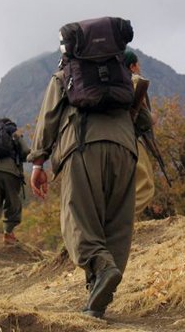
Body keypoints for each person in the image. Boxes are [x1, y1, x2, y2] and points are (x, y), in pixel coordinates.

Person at [28, 55, 138, 319]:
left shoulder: (65, 74)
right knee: (116, 224)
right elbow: (145, 120)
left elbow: (48, 117)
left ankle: (102, 268)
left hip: (82, 145)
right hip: (125, 150)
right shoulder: (123, 74)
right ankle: (96, 300)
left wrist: (38, 163)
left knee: (77, 218)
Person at [0, 119, 31, 251]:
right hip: (11, 171)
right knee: (12, 203)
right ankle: (8, 233)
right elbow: (25, 151)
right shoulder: (12, 131)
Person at [124, 50, 156, 215]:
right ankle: (120, 223)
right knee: (145, 186)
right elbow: (145, 120)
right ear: (132, 66)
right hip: (128, 139)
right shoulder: (135, 82)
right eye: (138, 65)